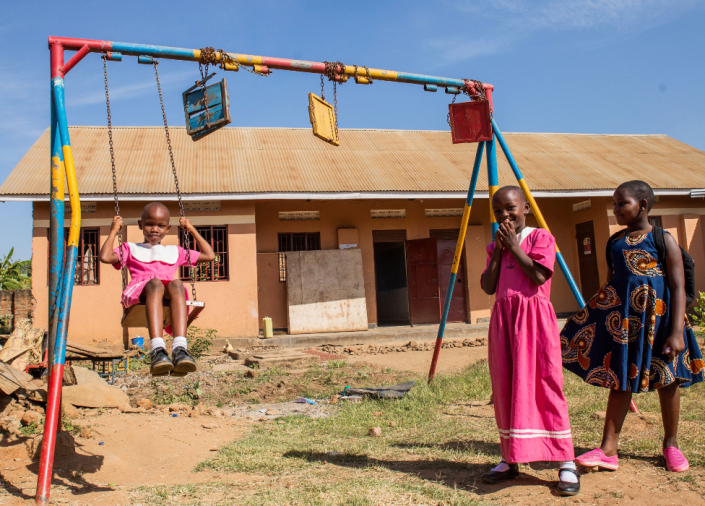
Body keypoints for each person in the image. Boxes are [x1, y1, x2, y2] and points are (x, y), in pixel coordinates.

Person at [562, 180, 703, 473]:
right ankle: (608, 449)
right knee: (621, 377)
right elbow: (613, 285)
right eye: (614, 204)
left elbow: (677, 287)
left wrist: (676, 331)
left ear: (643, 205)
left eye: (621, 203)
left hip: (662, 322)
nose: (616, 209)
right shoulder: (614, 242)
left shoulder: (663, 239)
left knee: (668, 379)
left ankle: (671, 445)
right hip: (625, 325)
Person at [480, 186, 579, 496]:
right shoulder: (494, 245)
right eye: (498, 212)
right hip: (504, 321)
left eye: (510, 208)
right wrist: (499, 249)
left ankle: (565, 461)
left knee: (545, 384)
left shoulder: (541, 238)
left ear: (525, 209)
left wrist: (514, 246)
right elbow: (488, 285)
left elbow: (538, 277)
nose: (504, 216)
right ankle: (511, 459)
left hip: (533, 321)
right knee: (507, 387)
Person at [99, 202, 215, 377]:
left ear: (168, 228)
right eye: (149, 224)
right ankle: (157, 350)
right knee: (155, 283)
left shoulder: (174, 251)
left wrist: (191, 229)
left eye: (160, 226)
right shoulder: (130, 248)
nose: (155, 229)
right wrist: (114, 230)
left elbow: (209, 255)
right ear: (140, 225)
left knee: (176, 283)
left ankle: (180, 348)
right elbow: (106, 257)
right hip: (142, 290)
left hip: (167, 292)